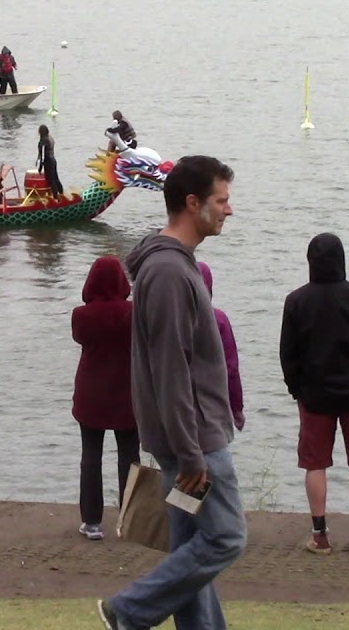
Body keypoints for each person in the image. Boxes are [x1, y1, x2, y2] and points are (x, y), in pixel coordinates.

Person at [99, 155, 243, 630]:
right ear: (193, 203)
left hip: (189, 438)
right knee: (225, 537)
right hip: (195, 441)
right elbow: (170, 371)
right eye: (222, 200)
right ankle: (127, 610)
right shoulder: (168, 272)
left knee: (187, 549)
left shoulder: (176, 265)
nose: (229, 210)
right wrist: (190, 452)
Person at [279, 232, 349, 555]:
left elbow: (288, 354)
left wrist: (296, 388)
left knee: (315, 464)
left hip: (314, 395)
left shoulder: (297, 301)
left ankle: (319, 535)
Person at [71, 257, 138, 541]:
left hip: (91, 393)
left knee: (91, 456)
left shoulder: (81, 315)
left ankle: (92, 522)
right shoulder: (134, 313)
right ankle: (130, 520)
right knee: (129, 457)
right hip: (128, 392)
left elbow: (80, 339)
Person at [198, 262, 245, 430]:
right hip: (213, 404)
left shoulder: (172, 318)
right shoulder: (218, 320)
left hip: (178, 405)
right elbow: (230, 368)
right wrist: (237, 408)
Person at [35, 125, 64, 197]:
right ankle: (61, 193)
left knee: (51, 180)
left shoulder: (44, 140)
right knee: (56, 178)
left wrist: (40, 167)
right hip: (53, 159)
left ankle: (55, 197)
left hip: (48, 162)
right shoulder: (50, 138)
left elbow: (43, 155)